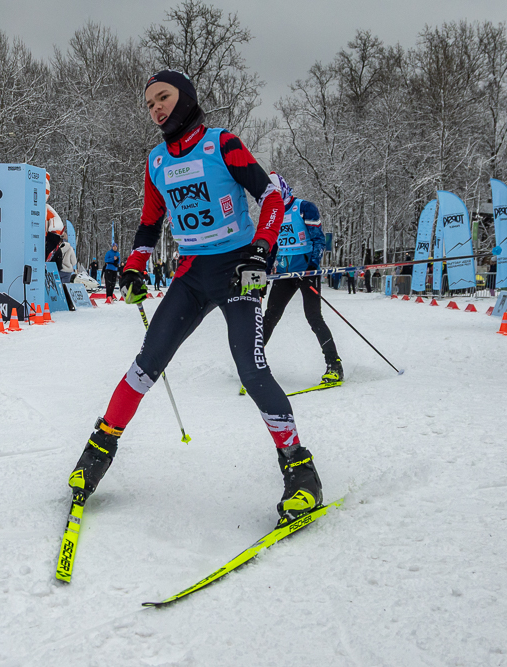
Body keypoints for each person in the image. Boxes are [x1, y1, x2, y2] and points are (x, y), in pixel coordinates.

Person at [67, 70, 323, 526]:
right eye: (149, 105)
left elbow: (270, 195)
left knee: (252, 367)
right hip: (190, 274)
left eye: (162, 98)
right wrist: (133, 266)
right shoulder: (156, 163)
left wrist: (263, 249)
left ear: (184, 97)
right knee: (145, 365)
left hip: (236, 270)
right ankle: (96, 454)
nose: (156, 109)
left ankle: (300, 472)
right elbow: (150, 224)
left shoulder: (223, 144)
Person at [262, 172, 342, 383]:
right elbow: (273, 246)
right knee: (270, 316)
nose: (274, 199)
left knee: (314, 317)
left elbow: (318, 239)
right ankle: (252, 365)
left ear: (284, 190)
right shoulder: (272, 213)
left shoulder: (304, 207)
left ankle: (334, 365)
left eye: (276, 194)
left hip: (306, 271)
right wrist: (267, 269)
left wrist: (312, 266)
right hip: (285, 272)